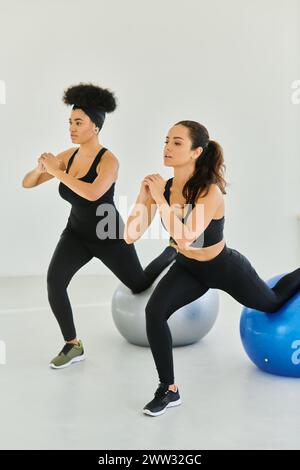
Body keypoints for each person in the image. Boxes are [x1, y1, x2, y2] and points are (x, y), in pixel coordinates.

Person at [124, 120, 300, 417]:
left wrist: (156, 198)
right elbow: (130, 235)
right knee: (154, 312)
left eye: (177, 142)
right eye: (166, 140)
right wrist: (144, 198)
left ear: (196, 152)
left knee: (271, 303)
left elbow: (184, 236)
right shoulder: (163, 189)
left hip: (223, 266)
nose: (167, 147)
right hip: (188, 268)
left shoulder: (209, 192)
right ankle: (168, 389)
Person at [22, 83, 176, 369]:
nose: (72, 128)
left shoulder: (109, 160)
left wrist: (57, 172)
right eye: (70, 122)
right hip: (76, 234)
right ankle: (73, 345)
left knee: (139, 284)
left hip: (108, 233)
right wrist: (41, 167)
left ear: (95, 126)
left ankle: (171, 251)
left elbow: (92, 193)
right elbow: (27, 183)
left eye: (78, 122)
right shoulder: (68, 156)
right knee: (55, 282)